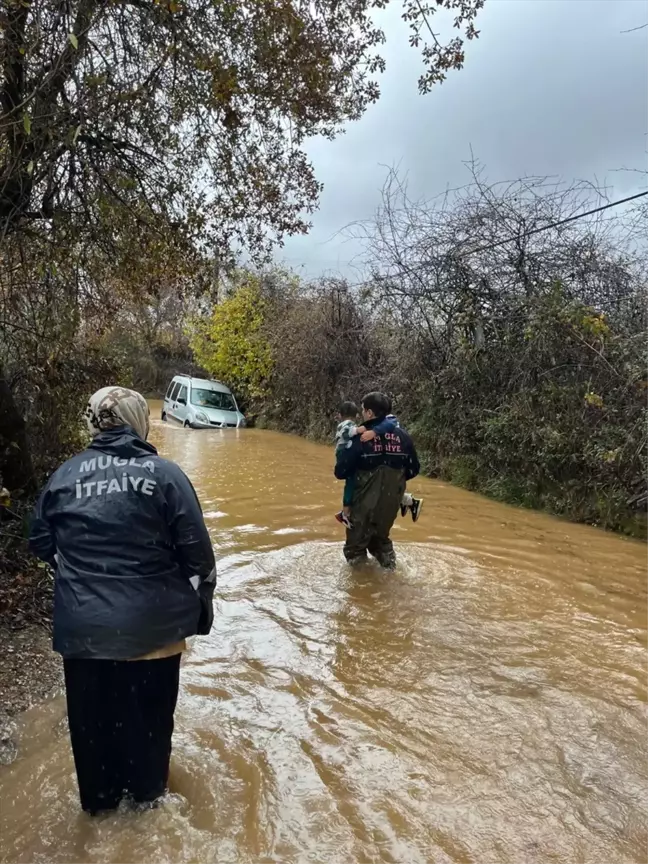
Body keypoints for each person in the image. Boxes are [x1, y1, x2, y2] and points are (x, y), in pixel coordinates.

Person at [29, 386, 216, 815]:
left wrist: (77, 575)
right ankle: (148, 824)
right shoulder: (166, 475)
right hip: (154, 637)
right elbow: (199, 558)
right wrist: (198, 612)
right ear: (139, 422)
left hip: (83, 637)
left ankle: (97, 819)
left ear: (93, 422)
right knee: (149, 757)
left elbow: (40, 540)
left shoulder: (63, 476)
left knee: (94, 759)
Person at [334, 391, 420, 569]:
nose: (363, 414)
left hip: (362, 510)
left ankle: (361, 591)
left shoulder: (360, 439)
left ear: (370, 413)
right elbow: (413, 469)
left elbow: (341, 472)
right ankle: (390, 576)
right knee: (382, 543)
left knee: (355, 550)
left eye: (364, 410)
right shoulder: (403, 437)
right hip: (387, 509)